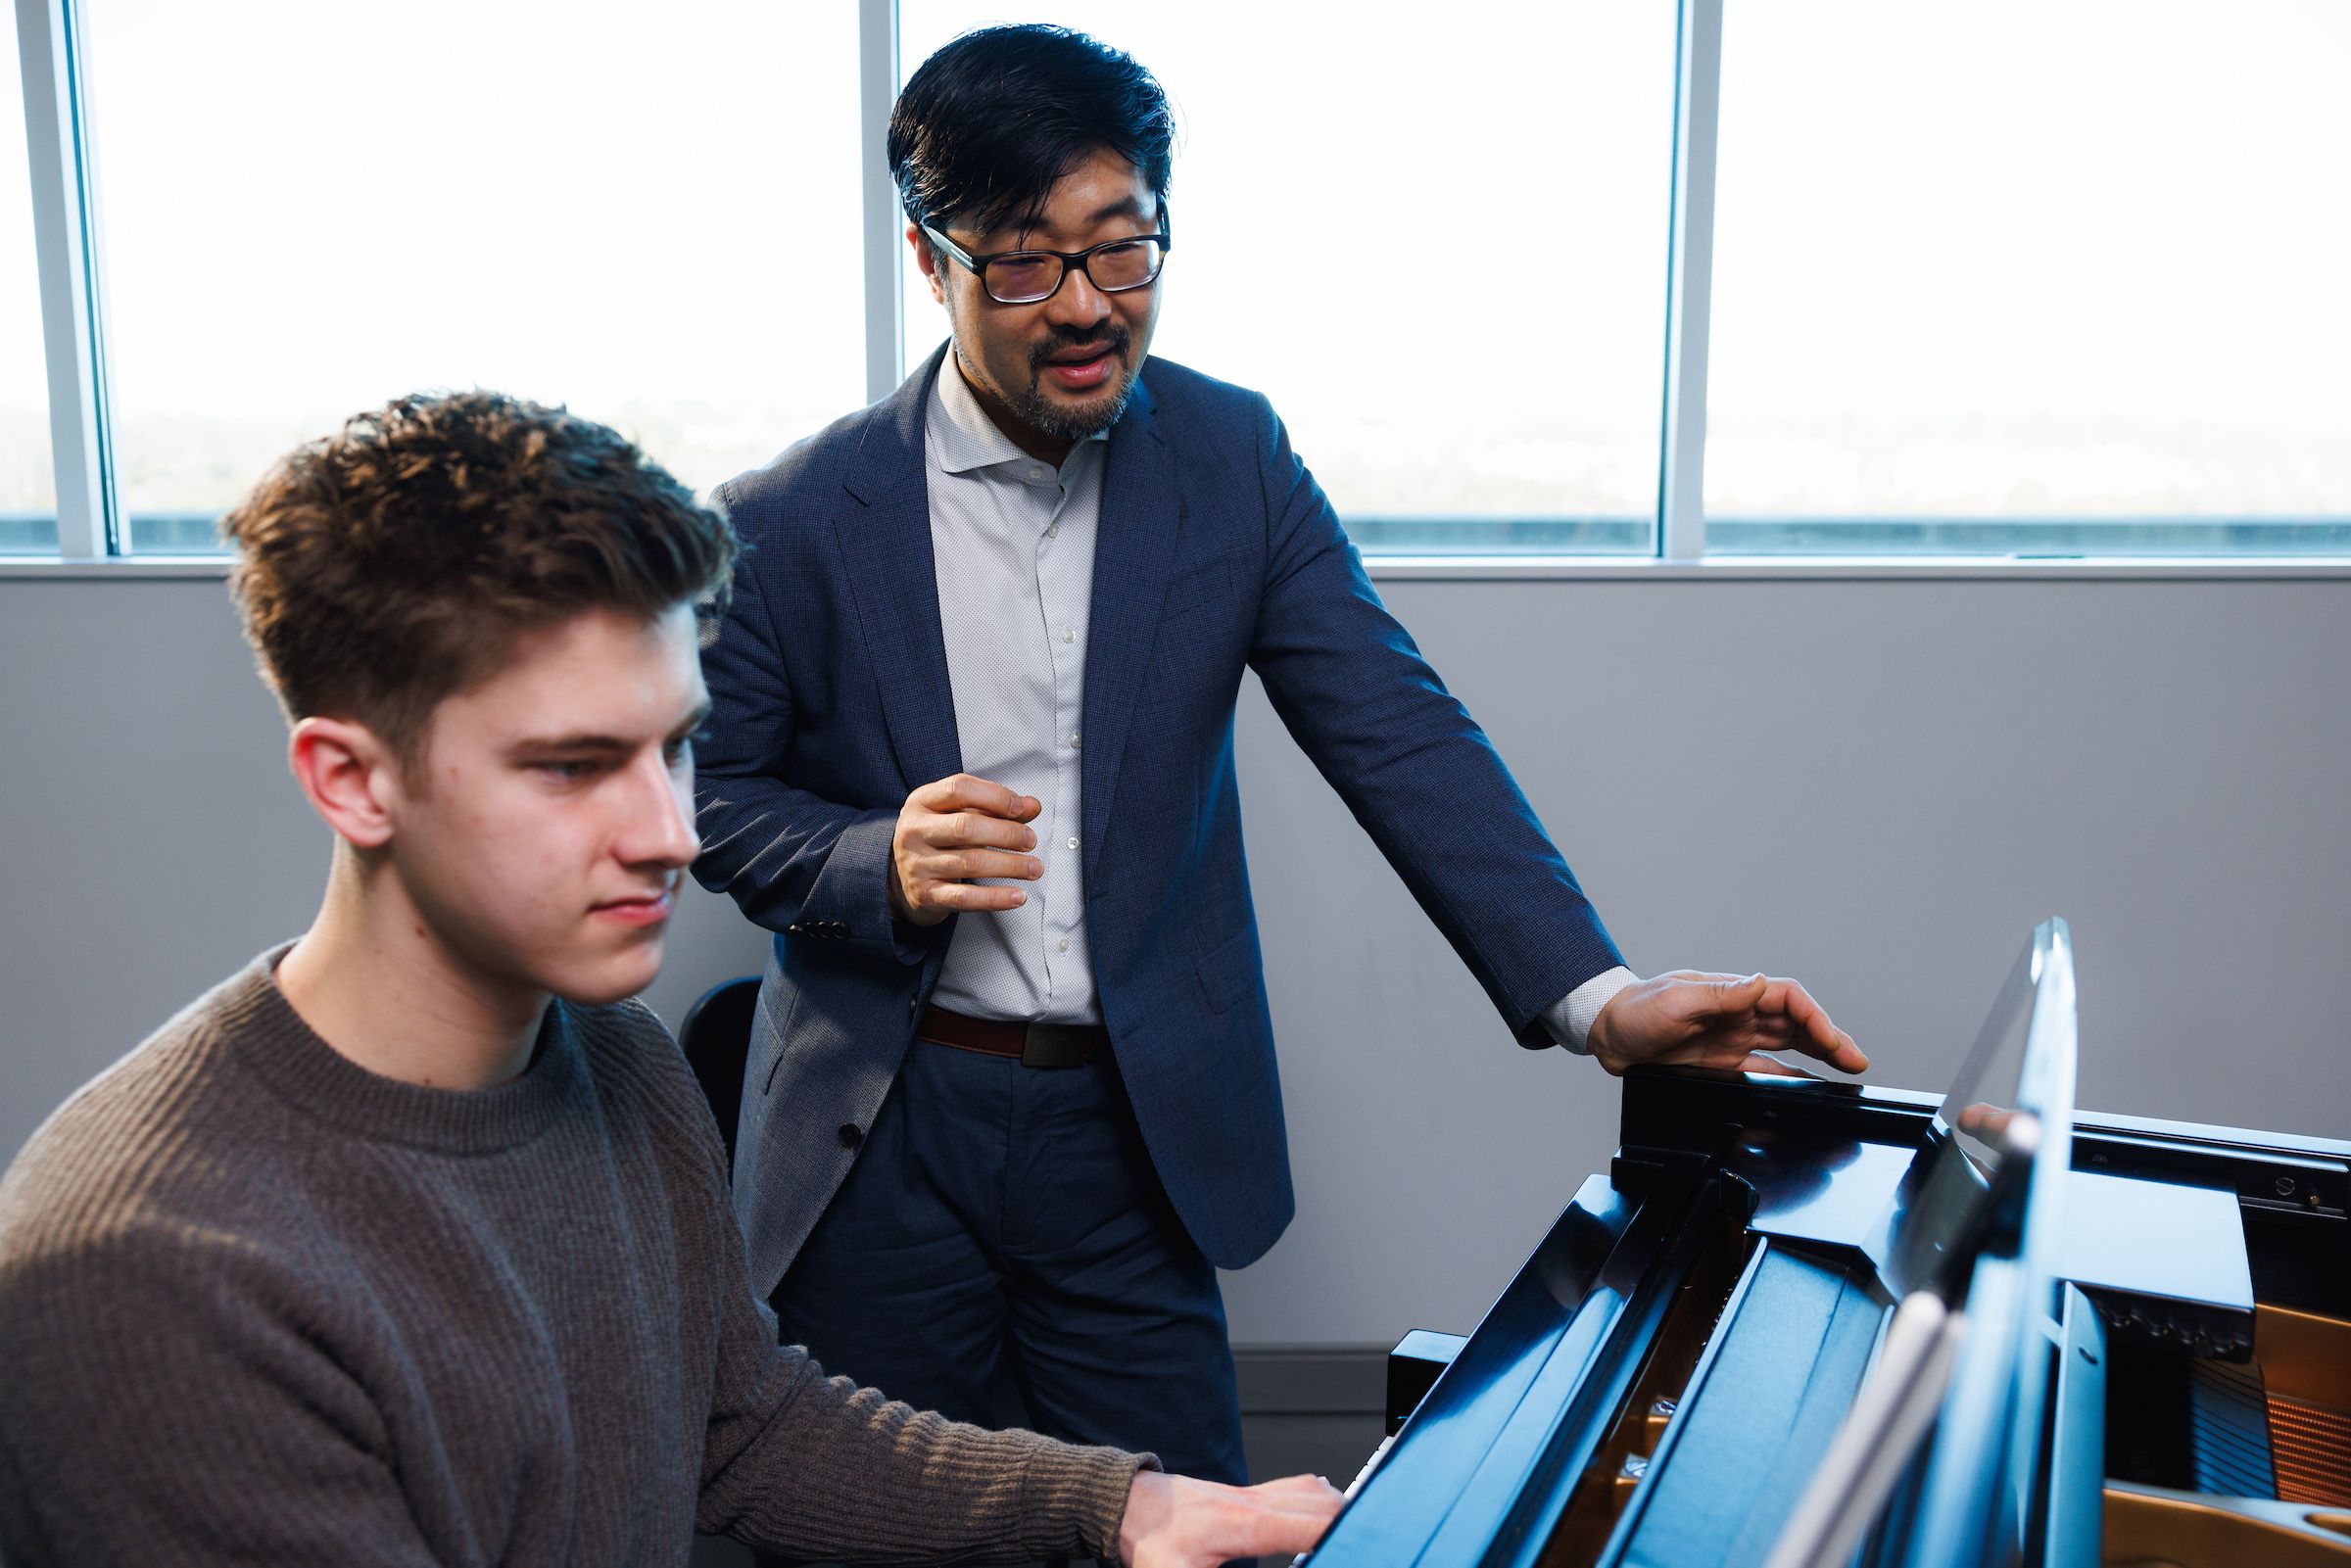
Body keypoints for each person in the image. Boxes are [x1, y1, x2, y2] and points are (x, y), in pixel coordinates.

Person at [694, 24, 1867, 1487]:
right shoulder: (790, 516)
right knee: (868, 1524)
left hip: (1132, 1140)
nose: (1084, 305)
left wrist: (1600, 1000)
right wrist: (876, 861)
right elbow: (714, 804)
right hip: (884, 1142)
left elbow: (1398, 728)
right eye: (1022, 260)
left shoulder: (1232, 460)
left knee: (1191, 1523)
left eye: (1123, 251)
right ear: (929, 262)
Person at [0, 392, 1339, 1566]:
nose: (673, 832)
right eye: (574, 764)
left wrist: (1118, 1506)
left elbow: (739, 1424)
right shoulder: (152, 1275)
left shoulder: (619, 1059)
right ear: (351, 780)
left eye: (677, 746)